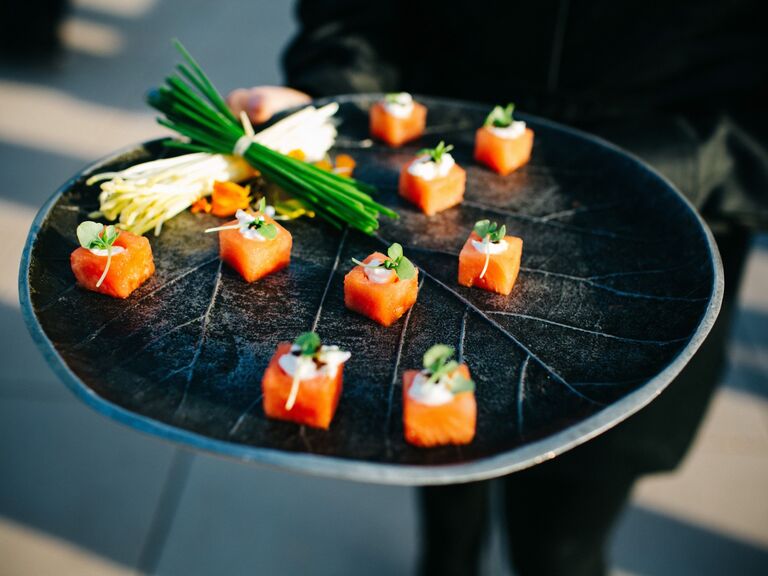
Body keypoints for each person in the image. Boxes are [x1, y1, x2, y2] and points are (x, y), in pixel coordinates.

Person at [228, 2, 768, 574]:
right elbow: (350, 19)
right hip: (430, 180)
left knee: (563, 540)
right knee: (441, 462)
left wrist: (675, 161)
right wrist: (330, 100)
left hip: (661, 224)